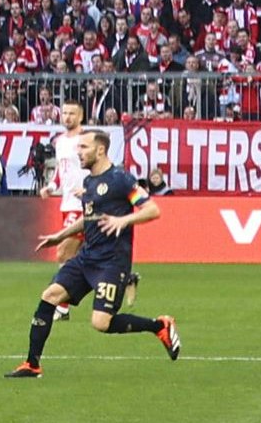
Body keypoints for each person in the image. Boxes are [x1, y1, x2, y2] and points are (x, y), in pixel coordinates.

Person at [10, 129, 180, 376]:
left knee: (101, 323)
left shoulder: (120, 179)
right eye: (78, 147)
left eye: (84, 147)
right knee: (49, 296)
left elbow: (152, 210)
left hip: (112, 262)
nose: (78, 152)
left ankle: (159, 326)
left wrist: (124, 221)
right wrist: (61, 235)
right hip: (86, 257)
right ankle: (32, 364)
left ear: (100, 150)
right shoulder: (89, 182)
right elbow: (89, 218)